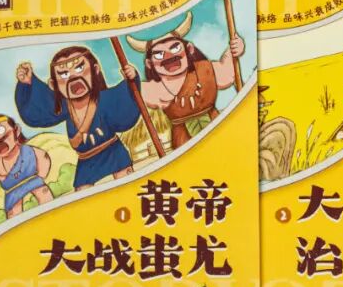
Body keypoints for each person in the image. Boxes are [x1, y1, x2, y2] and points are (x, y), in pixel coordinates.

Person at [15, 47, 141, 189]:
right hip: (86, 161)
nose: (74, 78)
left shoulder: (106, 99)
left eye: (80, 68)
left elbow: (125, 110)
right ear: (53, 85)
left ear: (95, 70)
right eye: (64, 74)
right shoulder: (62, 107)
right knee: (83, 191)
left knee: (127, 184)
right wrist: (28, 83)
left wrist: (131, 80)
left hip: (113, 152)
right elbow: (38, 112)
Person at [128, 13, 244, 149]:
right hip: (184, 143)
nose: (169, 57)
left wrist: (235, 49)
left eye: (175, 48)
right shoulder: (156, 89)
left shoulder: (206, 70)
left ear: (189, 49)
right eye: (159, 54)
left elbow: (227, 73)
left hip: (218, 131)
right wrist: (133, 78)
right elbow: (136, 92)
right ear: (149, 64)